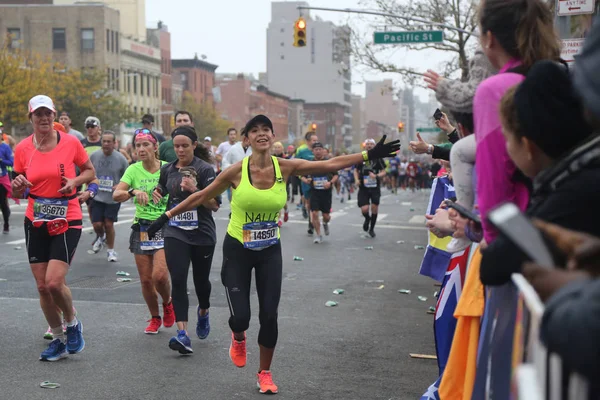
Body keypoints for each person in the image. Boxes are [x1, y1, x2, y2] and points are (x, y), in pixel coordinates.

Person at [145, 114, 399, 394]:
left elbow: (328, 164)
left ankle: (264, 372)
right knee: (241, 317)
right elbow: (200, 196)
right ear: (247, 139)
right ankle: (238, 336)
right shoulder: (236, 171)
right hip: (238, 250)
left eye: (266, 129)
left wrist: (368, 154)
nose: (261, 134)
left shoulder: (286, 167)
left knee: (269, 315)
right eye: (255, 130)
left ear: (272, 136)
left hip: (269, 251)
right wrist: (166, 216)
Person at [480, 60, 600, 285]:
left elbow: (494, 265)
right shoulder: (578, 174)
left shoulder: (573, 192)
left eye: (507, 138)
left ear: (529, 147)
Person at [12, 95, 95, 361]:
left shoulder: (71, 142)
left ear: (54, 116)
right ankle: (58, 339)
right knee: (41, 286)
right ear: (31, 118)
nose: (44, 119)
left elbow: (89, 171)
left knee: (54, 282)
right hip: (35, 218)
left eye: (49, 114)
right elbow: (19, 184)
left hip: (67, 215)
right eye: (39, 114)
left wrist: (75, 180)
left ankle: (72, 323)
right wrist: (18, 185)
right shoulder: (23, 148)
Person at [475, 0, 561, 244]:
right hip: (567, 232)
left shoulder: (494, 90)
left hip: (523, 242)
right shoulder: (560, 75)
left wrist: (493, 247)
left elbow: (494, 189)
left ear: (489, 38)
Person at [151, 126, 220, 354]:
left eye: (184, 146)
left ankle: (204, 311)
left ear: (194, 145)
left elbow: (215, 205)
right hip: (175, 231)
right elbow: (162, 187)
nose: (180, 150)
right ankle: (182, 334)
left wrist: (196, 190)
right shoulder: (168, 169)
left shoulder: (205, 169)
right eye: (176, 146)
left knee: (201, 283)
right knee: (178, 279)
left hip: (202, 233)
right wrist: (157, 192)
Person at [113, 129, 175, 334]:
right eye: (137, 145)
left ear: (155, 147)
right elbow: (117, 194)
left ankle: (167, 302)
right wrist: (132, 191)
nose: (141, 149)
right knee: (146, 279)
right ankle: (155, 317)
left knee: (159, 276)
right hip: (142, 227)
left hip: (164, 225)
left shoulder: (168, 168)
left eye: (145, 144)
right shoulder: (133, 170)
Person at [89, 131, 129, 261]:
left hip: (113, 198)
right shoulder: (94, 156)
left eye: (109, 141)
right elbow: (87, 172)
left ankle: (111, 251)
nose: (106, 144)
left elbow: (128, 177)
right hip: (97, 196)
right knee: (97, 225)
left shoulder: (121, 159)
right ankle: (101, 237)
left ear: (114, 143)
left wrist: (120, 186)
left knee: (109, 224)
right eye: (104, 141)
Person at [354, 138, 387, 238]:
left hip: (374, 187)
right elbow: (355, 170)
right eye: (367, 144)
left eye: (371, 144)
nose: (369, 146)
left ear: (374, 146)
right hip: (363, 187)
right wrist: (356, 179)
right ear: (364, 146)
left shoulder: (378, 158)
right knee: (364, 209)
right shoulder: (361, 157)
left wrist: (376, 176)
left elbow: (384, 172)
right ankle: (367, 219)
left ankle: (371, 229)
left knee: (374, 207)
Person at [306, 142, 338, 243]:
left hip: (326, 192)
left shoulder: (328, 162)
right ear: (313, 151)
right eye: (316, 149)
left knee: (326, 216)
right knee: (314, 213)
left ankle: (325, 223)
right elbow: (301, 175)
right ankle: (319, 235)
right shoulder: (309, 163)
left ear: (323, 150)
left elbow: (336, 175)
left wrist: (330, 183)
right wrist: (306, 180)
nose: (318, 151)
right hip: (314, 192)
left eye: (320, 149)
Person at [296, 132, 318, 232]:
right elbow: (295, 167)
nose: (316, 142)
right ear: (308, 141)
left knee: (316, 203)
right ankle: (310, 221)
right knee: (309, 202)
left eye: (317, 140)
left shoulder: (318, 150)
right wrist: (302, 178)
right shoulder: (301, 151)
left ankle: (314, 218)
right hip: (306, 180)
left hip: (317, 181)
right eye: (314, 140)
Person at [271, 142, 289, 226]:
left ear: (282, 149)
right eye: (275, 147)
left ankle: (286, 210)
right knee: (276, 201)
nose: (276, 149)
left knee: (283, 202)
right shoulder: (270, 158)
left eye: (278, 147)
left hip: (283, 181)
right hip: (273, 181)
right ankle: (279, 219)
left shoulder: (286, 158)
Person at [0, 139, 14, 233]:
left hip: (1, 178)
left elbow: (11, 162)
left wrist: (1, 160)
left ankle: (6, 223)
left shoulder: (5, 147)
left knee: (2, 203)